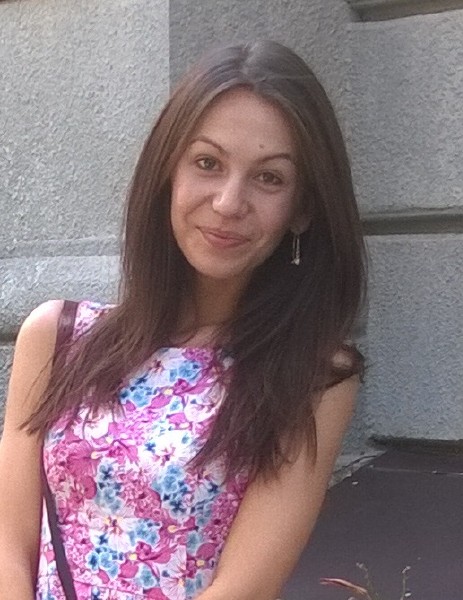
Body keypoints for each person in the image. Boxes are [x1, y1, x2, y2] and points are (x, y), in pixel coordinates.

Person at [0, 40, 366, 600]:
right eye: (207, 163)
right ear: (167, 172)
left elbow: (245, 588)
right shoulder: (57, 337)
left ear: (302, 209)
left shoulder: (314, 376)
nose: (228, 202)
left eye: (269, 178)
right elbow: (8, 539)